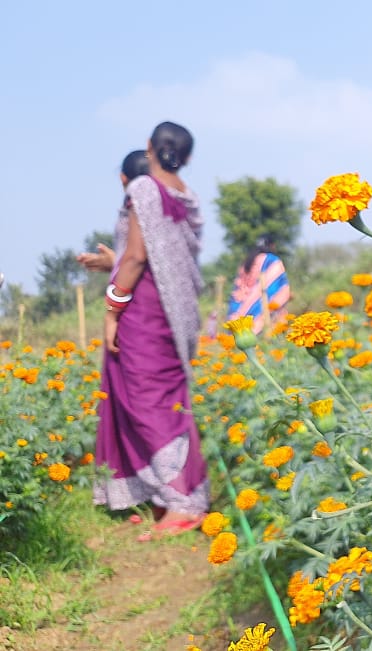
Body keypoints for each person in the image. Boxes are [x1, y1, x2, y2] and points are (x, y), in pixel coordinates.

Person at [95, 121, 208, 539]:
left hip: (144, 310)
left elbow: (138, 257)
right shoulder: (186, 195)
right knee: (167, 399)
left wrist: (112, 308)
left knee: (147, 401)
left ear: (149, 147)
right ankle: (176, 493)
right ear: (188, 157)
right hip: (177, 313)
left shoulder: (143, 189)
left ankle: (181, 504)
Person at [77, 150, 152, 274]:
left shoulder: (135, 212)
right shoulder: (173, 212)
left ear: (122, 178)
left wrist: (115, 263)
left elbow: (138, 260)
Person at [225, 236, 291, 334]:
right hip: (263, 311)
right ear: (272, 245)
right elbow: (280, 287)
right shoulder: (271, 261)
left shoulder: (247, 261)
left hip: (239, 310)